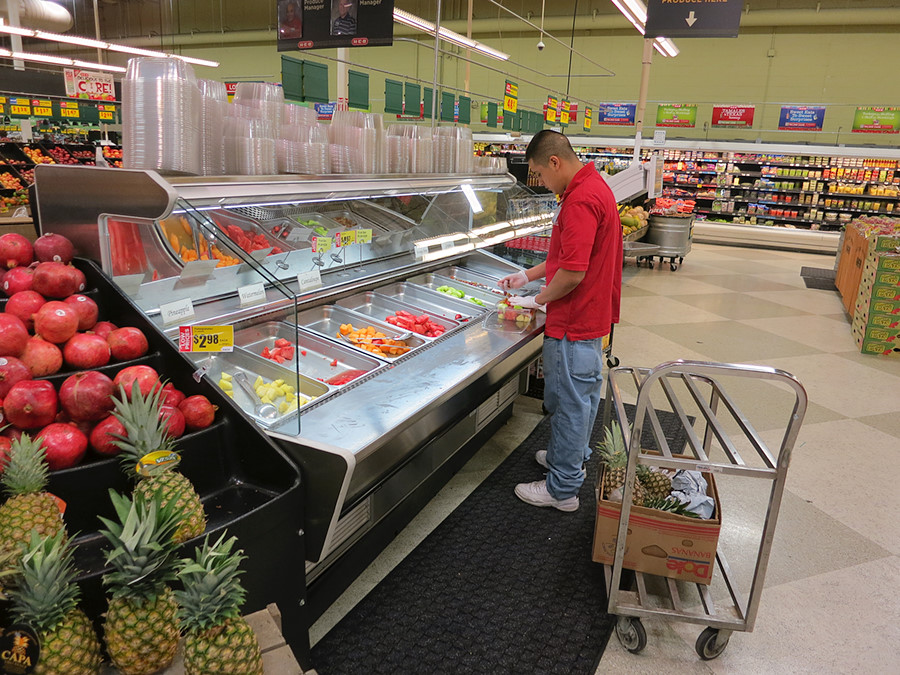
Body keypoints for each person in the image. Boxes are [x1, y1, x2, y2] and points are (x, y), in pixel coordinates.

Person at [499, 130, 622, 512]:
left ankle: (562, 489)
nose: (540, 182)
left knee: (569, 405)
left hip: (574, 320)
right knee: (582, 400)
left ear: (555, 162)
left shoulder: (581, 200)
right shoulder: (592, 186)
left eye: (538, 173)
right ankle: (570, 459)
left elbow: (572, 274)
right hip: (590, 317)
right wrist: (528, 276)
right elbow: (566, 258)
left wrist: (533, 300)